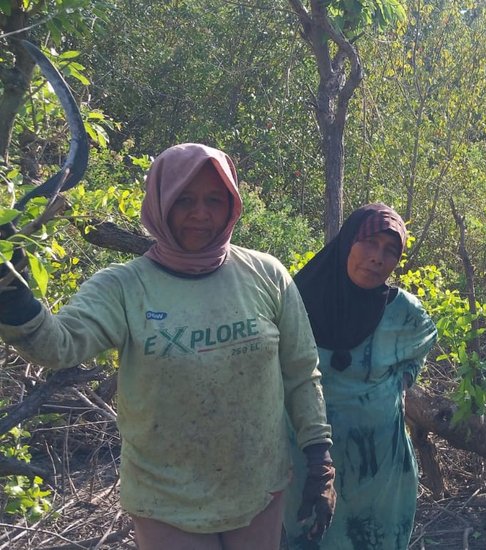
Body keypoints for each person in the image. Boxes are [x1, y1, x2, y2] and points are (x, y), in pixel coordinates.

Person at [0, 143, 336, 549]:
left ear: (232, 205)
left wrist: (320, 462)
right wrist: (12, 293)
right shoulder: (124, 287)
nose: (201, 213)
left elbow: (301, 372)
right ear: (160, 203)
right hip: (166, 501)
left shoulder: (265, 275)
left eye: (215, 199)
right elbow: (59, 346)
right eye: (184, 200)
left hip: (258, 489)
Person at [282, 203, 437, 549]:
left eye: (390, 251)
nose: (377, 258)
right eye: (369, 243)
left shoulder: (402, 312)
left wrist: (401, 381)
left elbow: (425, 340)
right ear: (348, 241)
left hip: (380, 470)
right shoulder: (295, 302)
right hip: (308, 466)